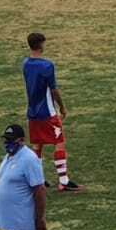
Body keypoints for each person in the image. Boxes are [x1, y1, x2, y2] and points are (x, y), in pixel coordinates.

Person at [23, 32, 78, 191]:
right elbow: (53, 90)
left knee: (38, 145)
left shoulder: (25, 64)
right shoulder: (47, 66)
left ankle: (38, 179)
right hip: (47, 113)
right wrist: (62, 107)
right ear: (41, 45)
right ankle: (63, 181)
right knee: (59, 142)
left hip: (32, 113)